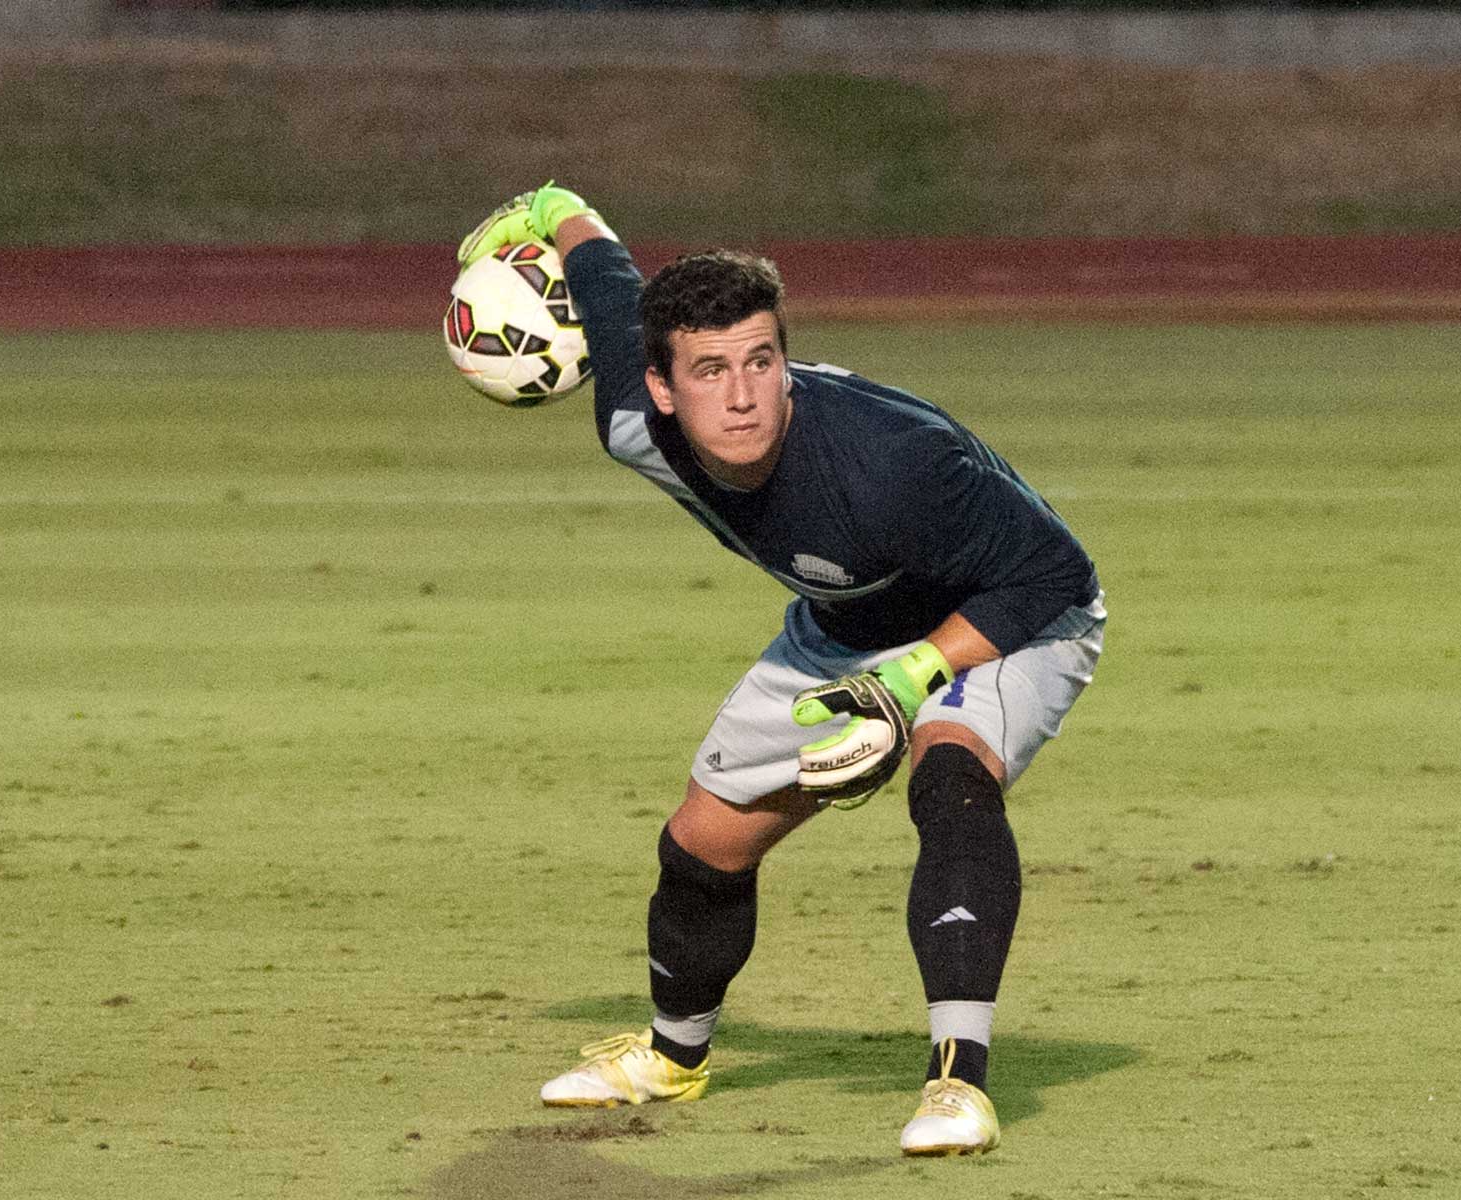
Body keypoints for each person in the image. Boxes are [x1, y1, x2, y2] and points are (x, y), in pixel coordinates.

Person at [455, 184, 1105, 1157]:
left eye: (761, 361)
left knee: (951, 774)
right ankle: (673, 1058)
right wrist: (557, 209)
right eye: (711, 370)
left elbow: (1056, 573)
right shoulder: (632, 421)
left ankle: (958, 1086)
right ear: (661, 387)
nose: (743, 394)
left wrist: (908, 684)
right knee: (704, 841)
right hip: (845, 624)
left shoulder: (895, 464)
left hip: (1005, 614)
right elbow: (608, 278)